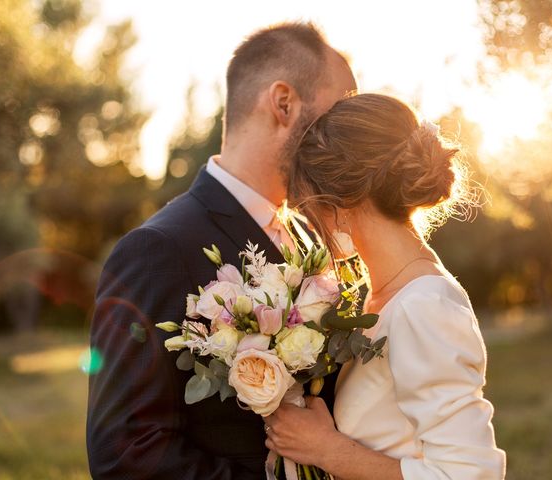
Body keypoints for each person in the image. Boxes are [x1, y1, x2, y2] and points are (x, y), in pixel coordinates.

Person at [86, 22, 357, 479]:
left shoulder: (311, 239)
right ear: (284, 104)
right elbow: (125, 452)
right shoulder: (158, 250)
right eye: (338, 114)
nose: (349, 136)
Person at [263, 93, 507, 479]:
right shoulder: (376, 297)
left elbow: (469, 474)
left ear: (340, 202)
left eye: (310, 209)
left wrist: (329, 451)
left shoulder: (424, 304)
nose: (313, 227)